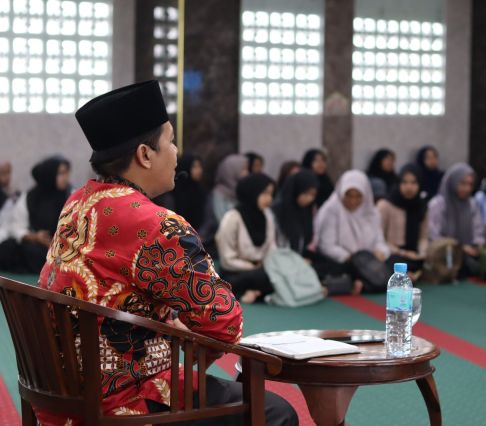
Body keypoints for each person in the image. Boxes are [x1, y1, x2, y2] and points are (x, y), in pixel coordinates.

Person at [35, 80, 297, 426]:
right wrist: (173, 347)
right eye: (171, 141)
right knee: (277, 413)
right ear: (145, 154)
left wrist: (163, 322)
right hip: (121, 401)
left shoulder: (78, 202)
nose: (177, 151)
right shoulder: (157, 223)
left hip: (58, 394)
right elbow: (226, 324)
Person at [315, 170, 390, 294]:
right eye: (349, 195)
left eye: (358, 196)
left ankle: (358, 284)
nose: (352, 201)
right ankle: (358, 284)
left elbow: (379, 241)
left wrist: (380, 252)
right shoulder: (331, 210)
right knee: (331, 268)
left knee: (393, 261)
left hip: (368, 262)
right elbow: (326, 245)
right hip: (343, 261)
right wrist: (349, 257)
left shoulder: (372, 212)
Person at [215, 173, 277, 304]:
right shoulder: (232, 218)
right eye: (265, 193)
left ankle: (252, 292)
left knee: (276, 276)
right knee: (258, 277)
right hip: (235, 272)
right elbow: (227, 259)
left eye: (271, 194)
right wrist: (252, 266)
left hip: (261, 268)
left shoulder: (268, 215)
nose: (269, 199)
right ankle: (252, 292)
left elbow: (272, 247)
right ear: (252, 192)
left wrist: (268, 264)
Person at [11, 156, 71, 273]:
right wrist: (35, 237)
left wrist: (58, 243)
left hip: (65, 245)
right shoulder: (30, 198)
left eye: (66, 173)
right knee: (21, 249)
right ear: (49, 175)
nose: (66, 178)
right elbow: (17, 227)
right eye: (61, 173)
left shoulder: (71, 195)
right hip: (40, 246)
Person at [427, 163, 485, 275]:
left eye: (470, 184)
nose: (467, 188)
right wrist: (459, 247)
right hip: (442, 255)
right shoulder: (438, 204)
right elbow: (432, 235)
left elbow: (478, 231)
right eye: (462, 183)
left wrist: (477, 245)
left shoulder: (471, 204)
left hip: (467, 255)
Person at [377, 164, 428, 273]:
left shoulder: (421, 206)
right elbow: (379, 240)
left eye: (413, 183)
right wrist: (403, 253)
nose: (409, 187)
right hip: (392, 254)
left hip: (414, 256)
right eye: (404, 182)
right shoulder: (385, 205)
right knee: (393, 263)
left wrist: (422, 253)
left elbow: (423, 237)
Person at [272, 169, 318, 255]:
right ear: (296, 190)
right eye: (305, 193)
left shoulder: (307, 210)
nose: (309, 198)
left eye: (312, 195)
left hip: (298, 257)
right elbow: (277, 244)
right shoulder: (278, 210)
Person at [171, 153, 207, 231]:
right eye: (194, 167)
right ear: (186, 167)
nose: (199, 170)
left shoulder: (200, 191)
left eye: (200, 166)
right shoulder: (175, 192)